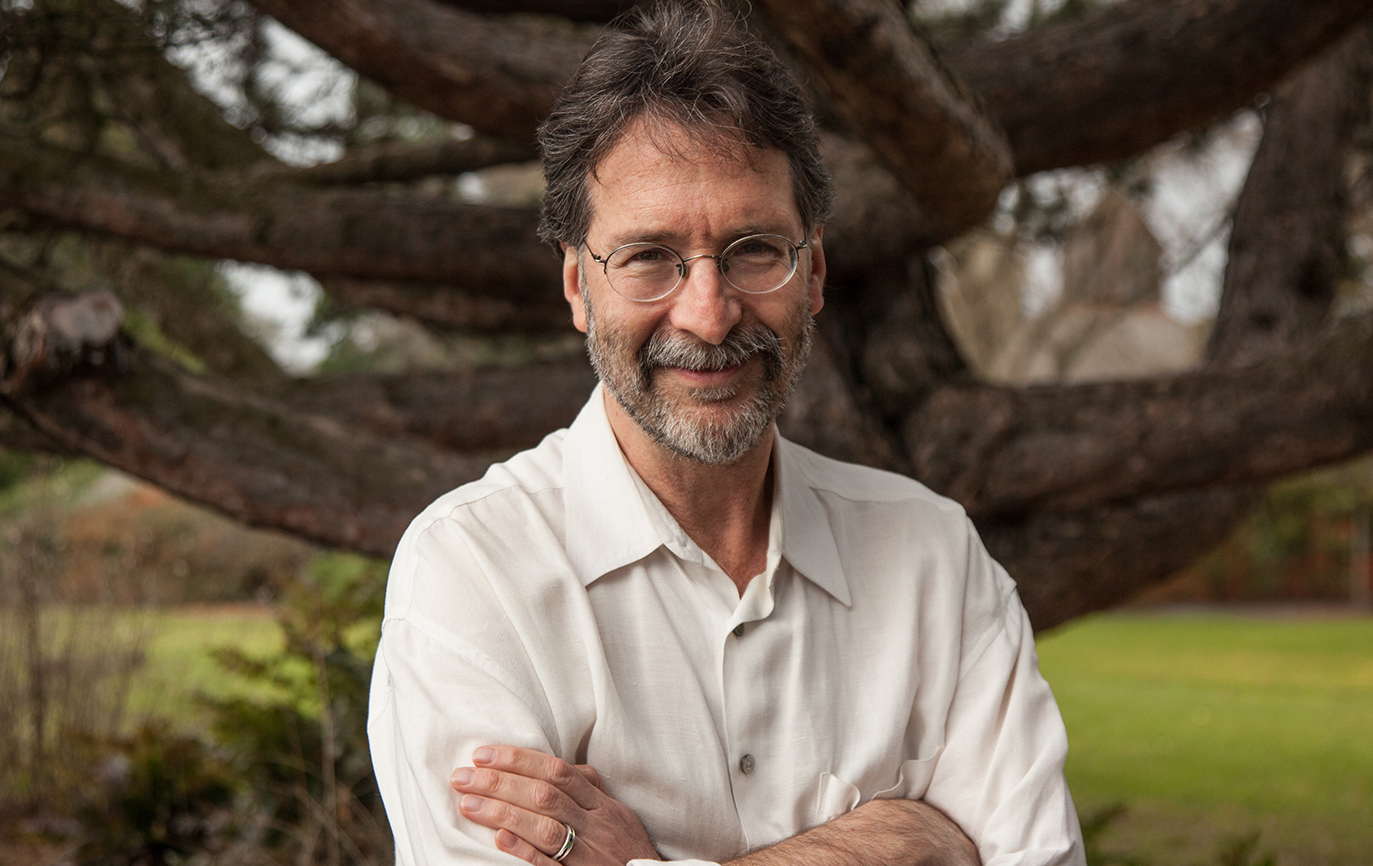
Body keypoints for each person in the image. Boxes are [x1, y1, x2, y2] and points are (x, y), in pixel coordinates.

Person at [367, 3, 1085, 864]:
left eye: (753, 250)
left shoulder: (935, 554)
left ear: (813, 272)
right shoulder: (471, 570)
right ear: (578, 286)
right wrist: (914, 837)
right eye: (648, 257)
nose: (708, 316)